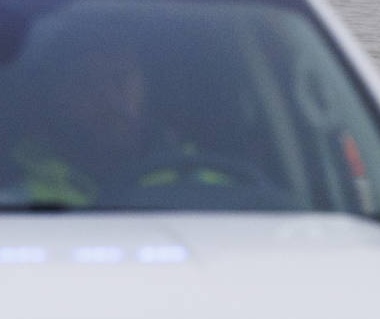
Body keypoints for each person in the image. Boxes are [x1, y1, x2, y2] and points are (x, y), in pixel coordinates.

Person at [14, 31, 250, 206]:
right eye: (86, 82)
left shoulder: (208, 184)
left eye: (120, 78)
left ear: (146, 87)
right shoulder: (11, 189)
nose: (108, 97)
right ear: (57, 97)